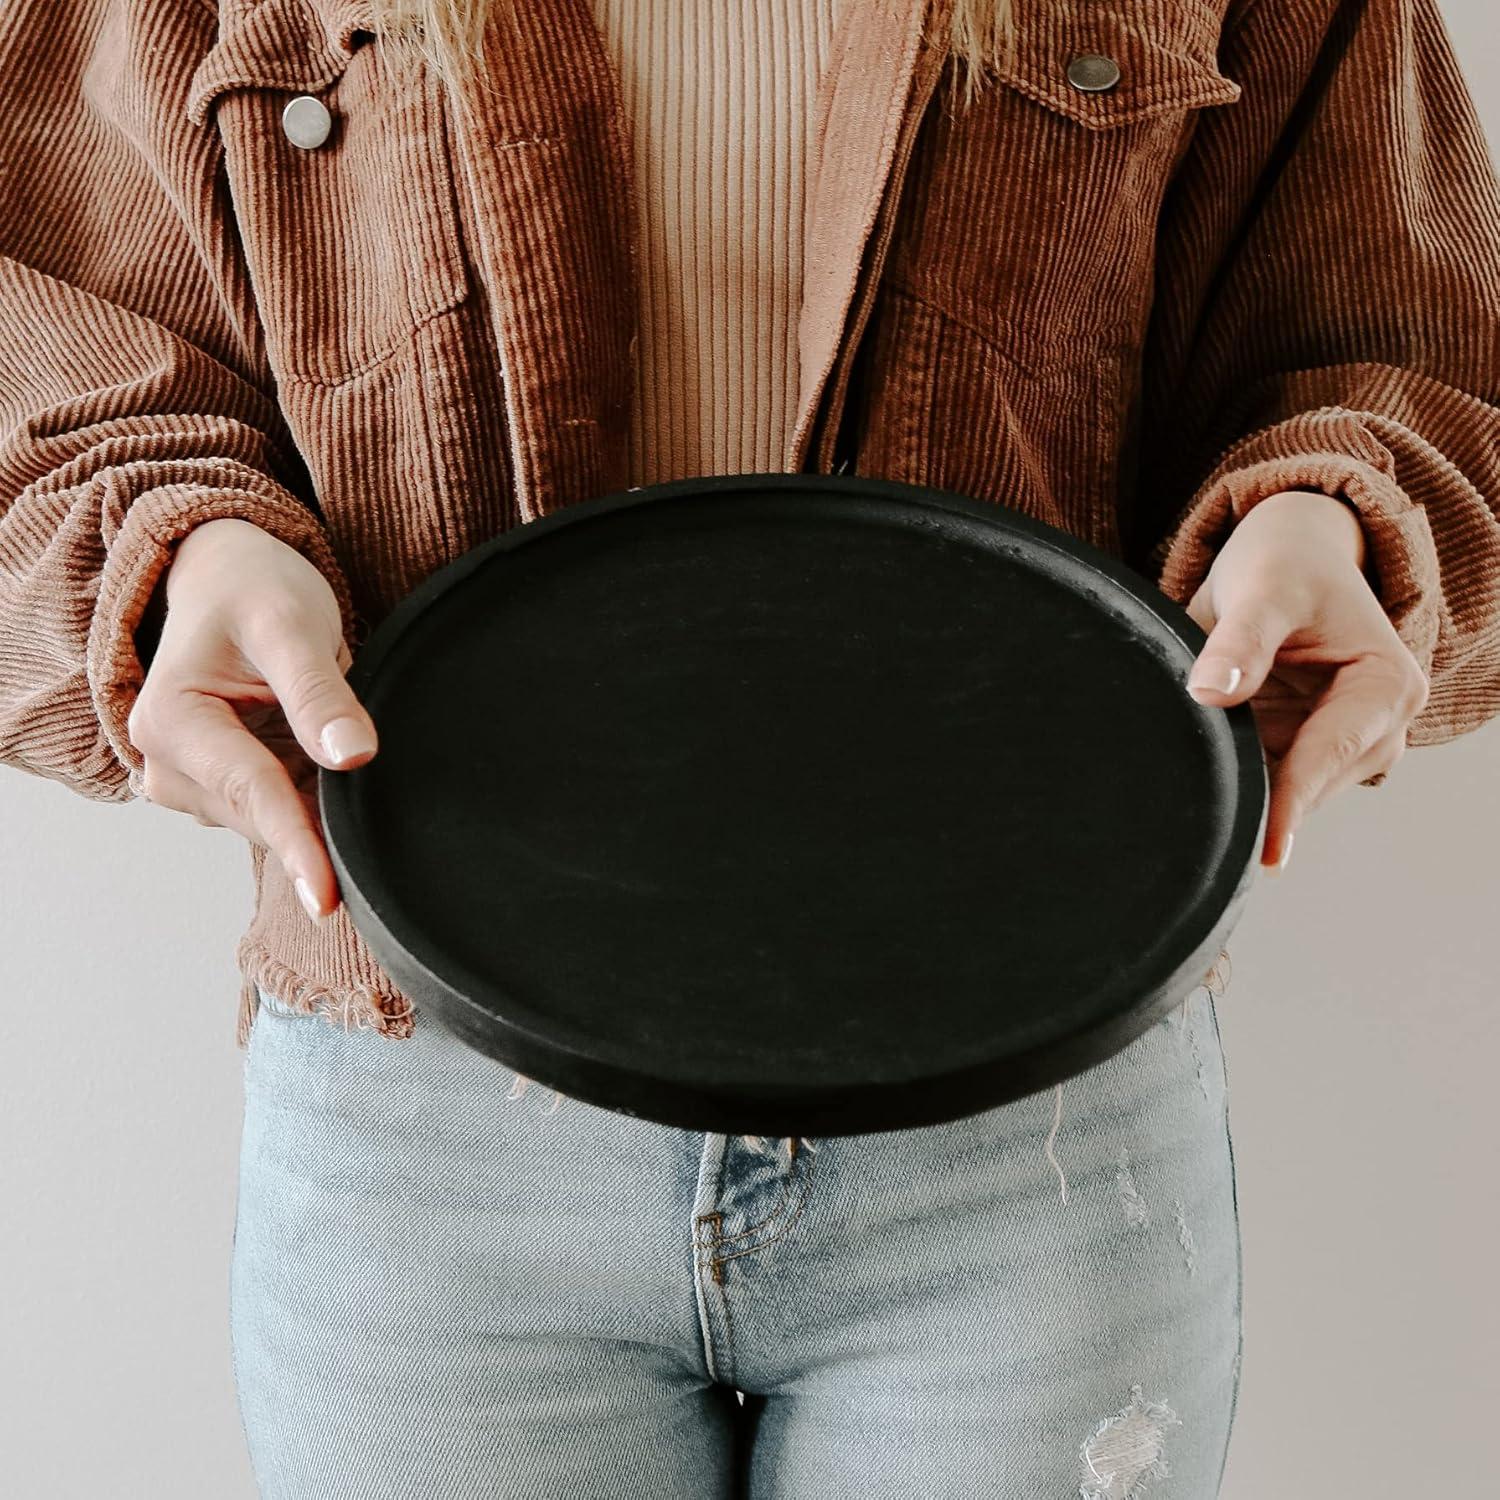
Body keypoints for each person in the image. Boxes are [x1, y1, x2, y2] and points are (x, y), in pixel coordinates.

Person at [2, 0, 1495, 1494]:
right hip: (430, 1112)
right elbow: (35, 330)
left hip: (1025, 1117)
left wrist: (1341, 515)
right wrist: (175, 554)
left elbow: (1414, 347)